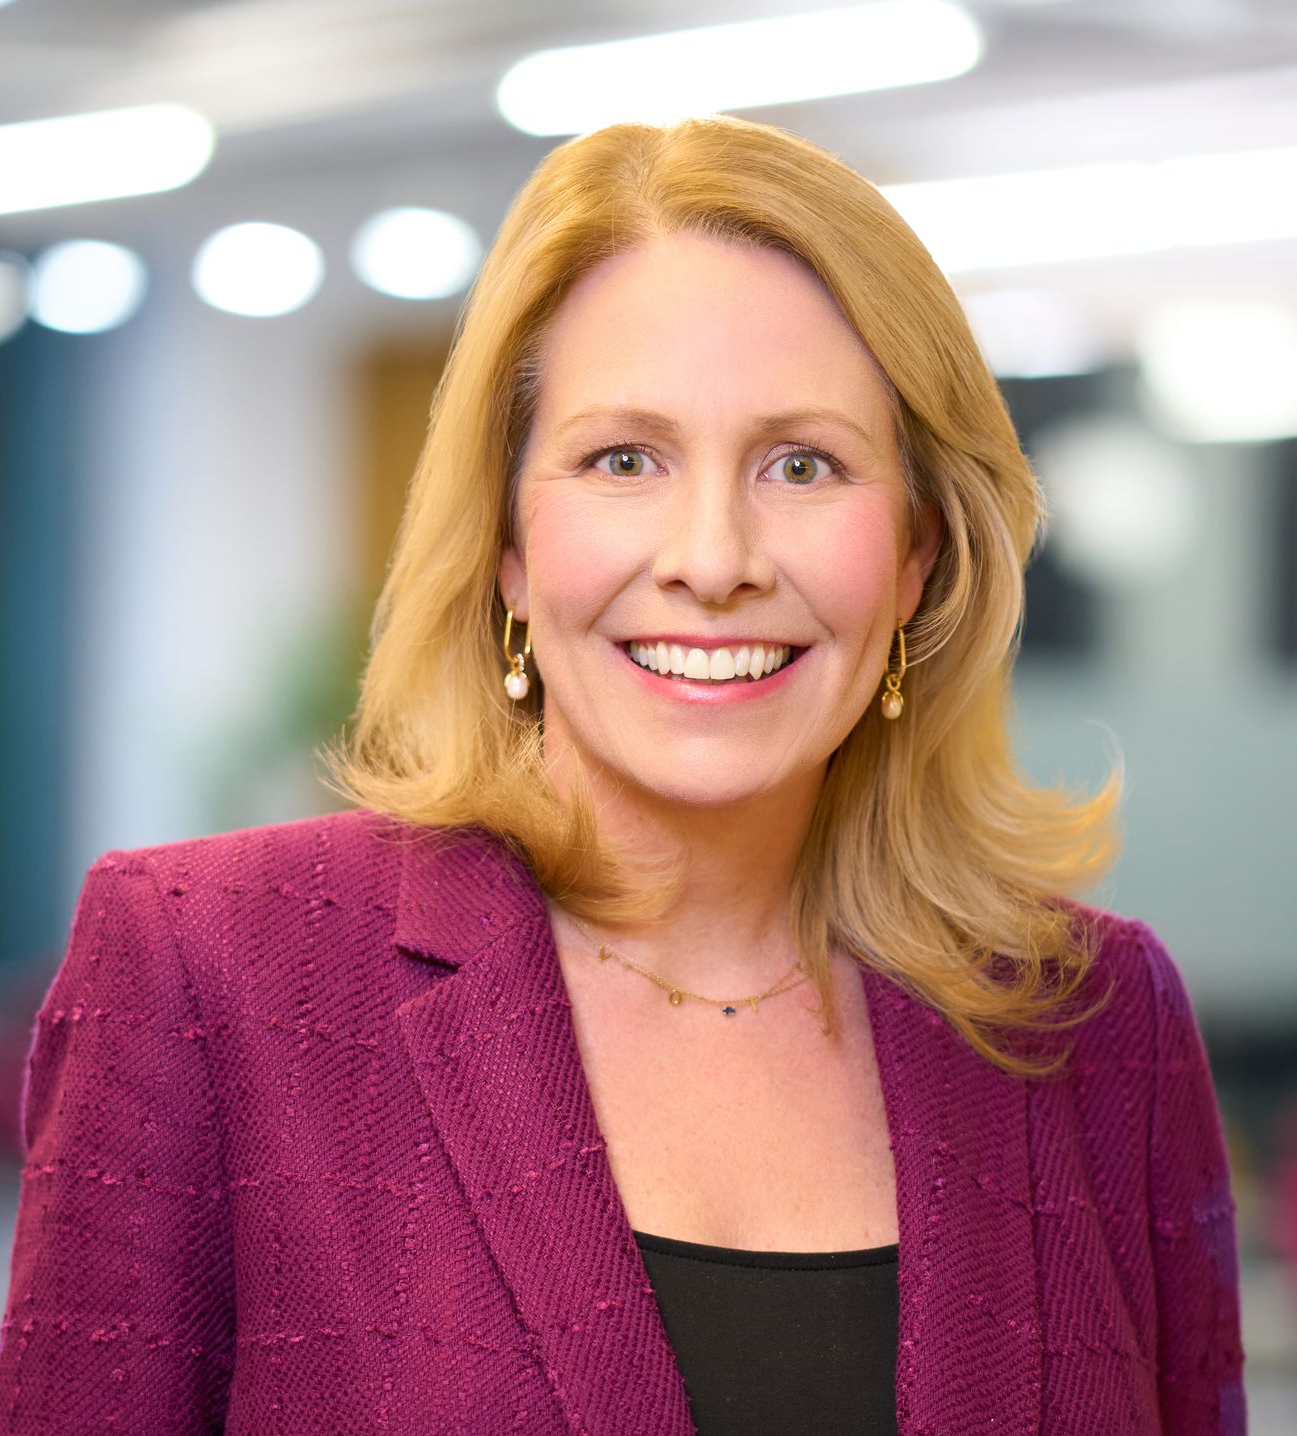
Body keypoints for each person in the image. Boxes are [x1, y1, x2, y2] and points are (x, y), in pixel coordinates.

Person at [0, 115, 1245, 1435]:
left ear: (918, 557)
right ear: (510, 545)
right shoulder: (210, 971)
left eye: (803, 465)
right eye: (624, 460)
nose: (713, 560)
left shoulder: (1096, 1021)